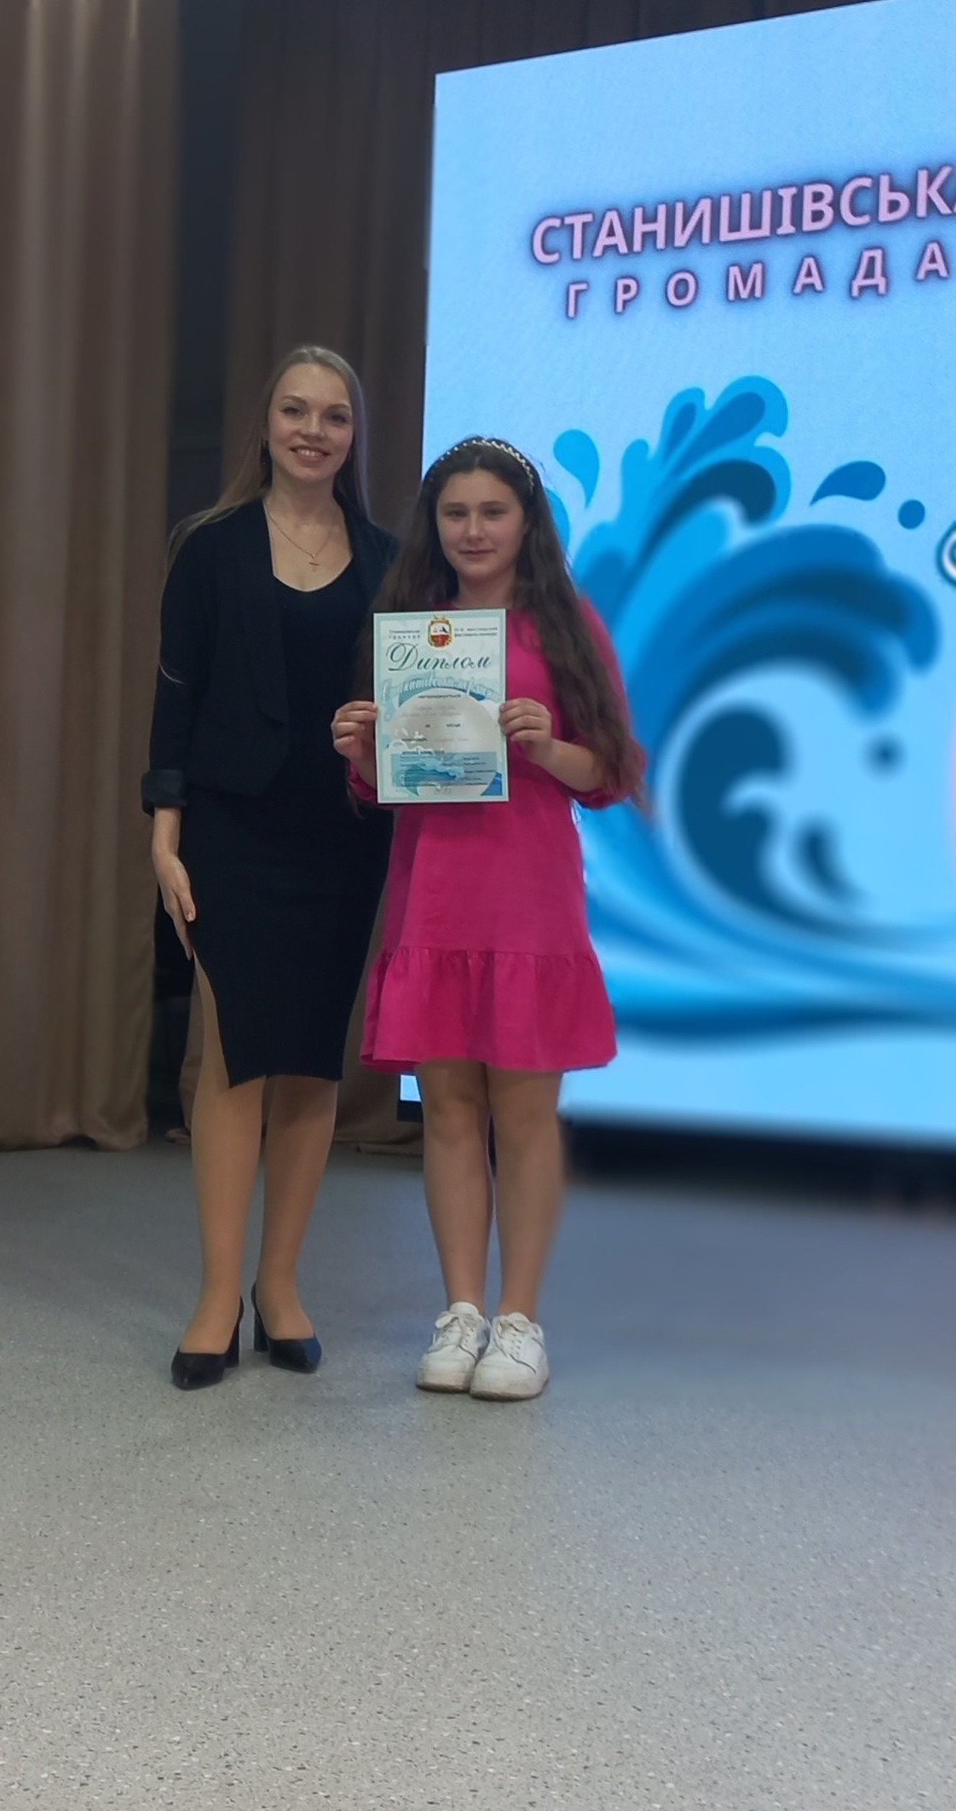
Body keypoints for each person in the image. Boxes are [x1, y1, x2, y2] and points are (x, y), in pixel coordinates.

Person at [332, 437, 644, 1401]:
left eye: (492, 512)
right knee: (448, 1111)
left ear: (525, 522)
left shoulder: (567, 624)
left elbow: (610, 771)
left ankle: (519, 1320)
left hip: (527, 898)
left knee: (524, 1113)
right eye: (455, 513)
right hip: (431, 893)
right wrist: (362, 751)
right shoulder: (409, 629)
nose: (472, 530)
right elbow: (386, 787)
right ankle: (460, 1311)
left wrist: (547, 748)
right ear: (433, 524)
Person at [143, 347, 395, 1390]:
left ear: (353, 435)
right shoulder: (208, 547)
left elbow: (414, 711)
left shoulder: (390, 559)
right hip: (229, 831)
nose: (312, 430)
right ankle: (217, 1295)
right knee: (235, 1054)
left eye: (333, 416)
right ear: (266, 423)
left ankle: (279, 1285)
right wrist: (163, 833)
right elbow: (174, 697)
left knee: (310, 1059)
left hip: (344, 832)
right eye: (295, 410)